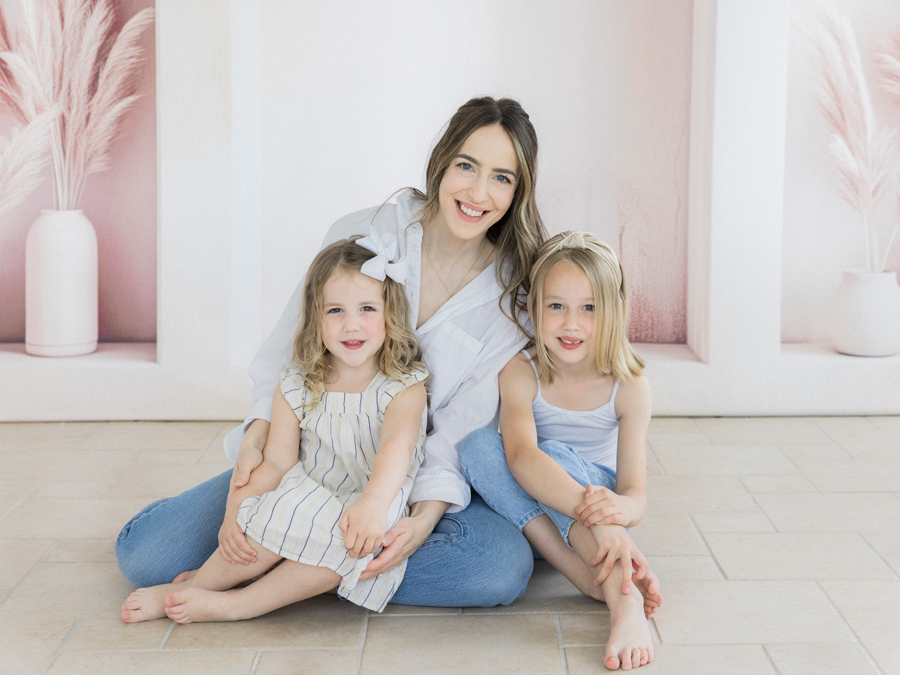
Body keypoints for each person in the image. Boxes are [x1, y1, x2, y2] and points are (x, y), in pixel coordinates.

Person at [116, 96, 548, 608]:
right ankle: (320, 564)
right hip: (311, 462)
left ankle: (292, 569)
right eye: (466, 166)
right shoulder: (362, 233)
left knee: (497, 569)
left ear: (518, 192)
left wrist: (422, 520)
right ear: (441, 162)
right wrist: (258, 443)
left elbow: (462, 425)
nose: (478, 192)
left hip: (409, 480)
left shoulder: (511, 296)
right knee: (145, 556)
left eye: (502, 177)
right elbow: (289, 352)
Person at [122, 236, 429, 623]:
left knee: (355, 542)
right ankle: (193, 588)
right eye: (335, 310)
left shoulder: (403, 385)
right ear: (314, 319)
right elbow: (277, 461)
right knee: (269, 515)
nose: (351, 324)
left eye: (367, 308)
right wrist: (236, 511)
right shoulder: (297, 385)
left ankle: (240, 605)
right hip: (310, 489)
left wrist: (371, 504)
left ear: (390, 315)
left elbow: (396, 447)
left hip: (370, 497)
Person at [457, 231, 662, 670]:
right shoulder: (521, 371)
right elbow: (521, 459)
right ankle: (581, 575)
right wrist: (599, 523)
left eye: (589, 308)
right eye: (556, 306)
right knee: (479, 446)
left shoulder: (630, 387)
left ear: (614, 311)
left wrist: (615, 515)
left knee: (557, 452)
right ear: (535, 308)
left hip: (594, 506)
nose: (571, 323)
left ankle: (623, 606)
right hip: (537, 516)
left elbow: (634, 496)